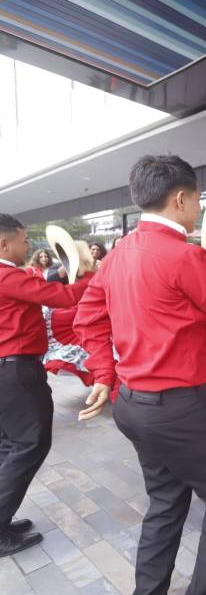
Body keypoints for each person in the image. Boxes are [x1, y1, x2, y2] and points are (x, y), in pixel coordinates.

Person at [73, 155, 206, 595]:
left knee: (165, 503)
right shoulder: (184, 256)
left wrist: (105, 371)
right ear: (181, 198)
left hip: (134, 405)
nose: (197, 209)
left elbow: (87, 317)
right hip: (183, 408)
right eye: (196, 200)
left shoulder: (119, 255)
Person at [0, 214, 89, 557]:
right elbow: (62, 299)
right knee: (28, 446)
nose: (29, 246)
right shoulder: (7, 275)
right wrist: (94, 278)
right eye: (24, 240)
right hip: (16, 372)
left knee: (10, 446)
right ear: (5, 243)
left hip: (9, 373)